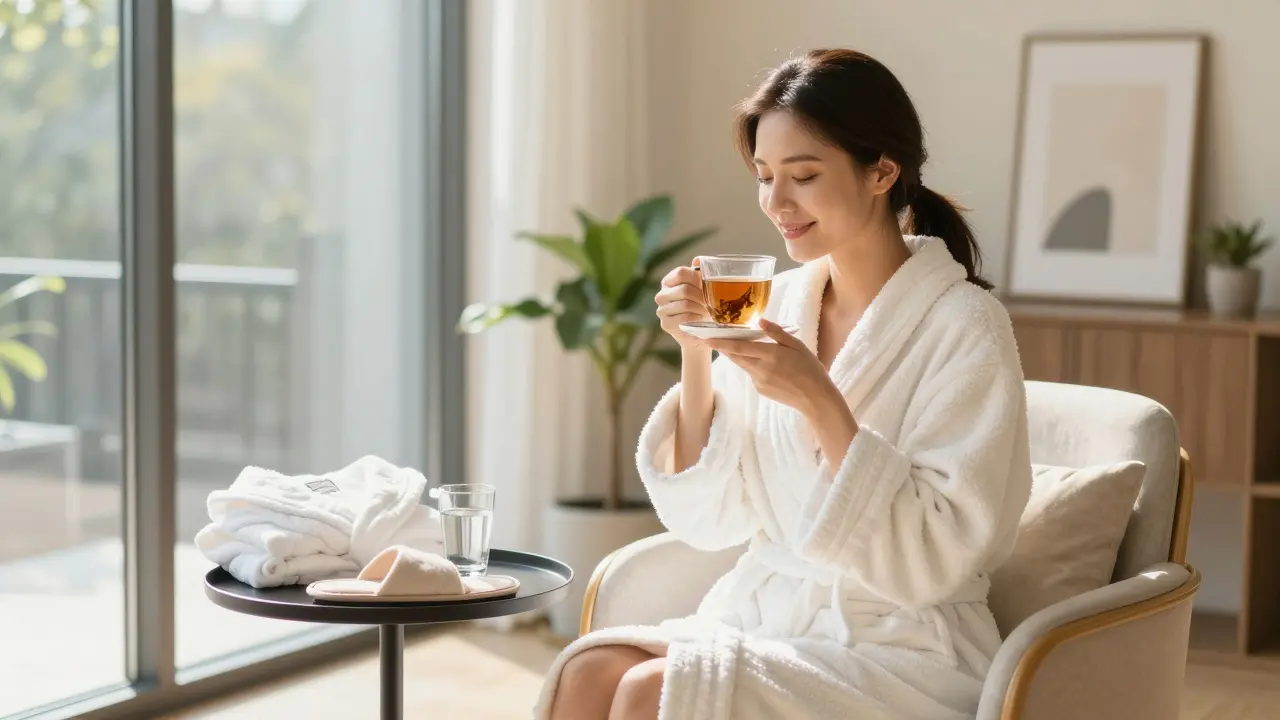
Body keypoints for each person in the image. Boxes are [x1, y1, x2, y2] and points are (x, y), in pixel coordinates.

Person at [535, 48, 1032, 720]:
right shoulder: (778, 306)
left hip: (902, 644)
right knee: (591, 670)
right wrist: (693, 354)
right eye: (765, 176)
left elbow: (939, 552)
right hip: (767, 614)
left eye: (802, 175)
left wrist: (818, 398)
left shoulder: (965, 325)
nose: (776, 202)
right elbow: (708, 515)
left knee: (648, 692)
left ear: (882, 171)